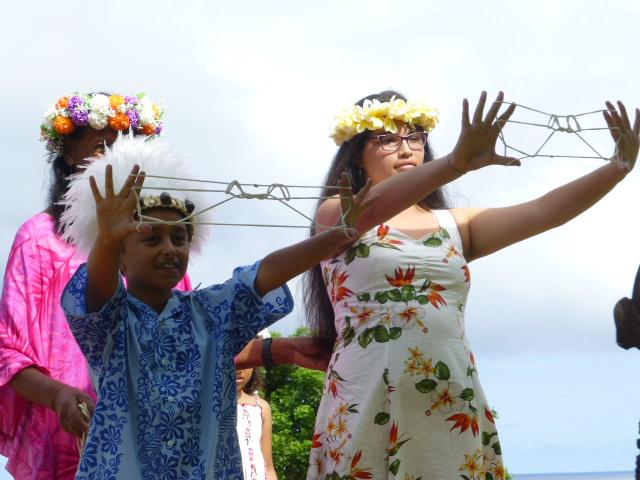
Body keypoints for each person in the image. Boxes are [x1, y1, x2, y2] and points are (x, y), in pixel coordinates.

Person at [303, 90, 639, 479]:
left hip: (448, 393)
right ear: (356, 153)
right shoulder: (337, 214)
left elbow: (545, 211)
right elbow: (373, 209)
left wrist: (617, 167)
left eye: (415, 137)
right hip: (367, 392)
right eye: (387, 139)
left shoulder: (455, 225)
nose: (407, 148)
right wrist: (455, 163)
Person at [59, 133, 370, 479]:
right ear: (120, 257)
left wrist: (336, 236)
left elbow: (264, 273)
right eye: (151, 238)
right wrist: (107, 239)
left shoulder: (211, 313)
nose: (169, 249)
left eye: (179, 238)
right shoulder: (112, 323)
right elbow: (98, 288)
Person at [0, 92, 193, 480]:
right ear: (70, 156)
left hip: (154, 430)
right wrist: (59, 396)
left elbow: (188, 331)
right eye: (101, 146)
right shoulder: (41, 237)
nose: (115, 158)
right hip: (67, 434)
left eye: (126, 146)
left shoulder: (158, 240)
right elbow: (8, 350)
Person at [236, 362, 277, 480]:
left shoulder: (262, 407)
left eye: (245, 363)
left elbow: (268, 466)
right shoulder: (209, 406)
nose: (239, 370)